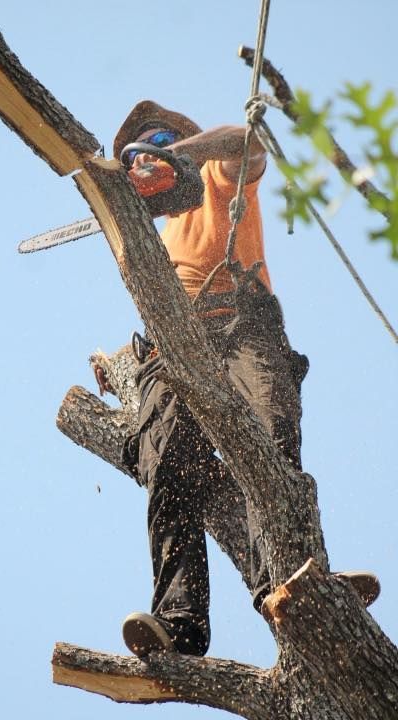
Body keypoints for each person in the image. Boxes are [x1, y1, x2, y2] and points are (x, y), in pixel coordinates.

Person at [98, 100, 379, 658]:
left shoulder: (217, 176)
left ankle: (301, 583)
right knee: (169, 466)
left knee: (273, 440)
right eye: (137, 155)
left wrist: (175, 156)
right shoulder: (148, 233)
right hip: (172, 344)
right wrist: (119, 361)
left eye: (159, 142)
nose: (148, 160)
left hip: (243, 322)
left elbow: (245, 140)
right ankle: (179, 622)